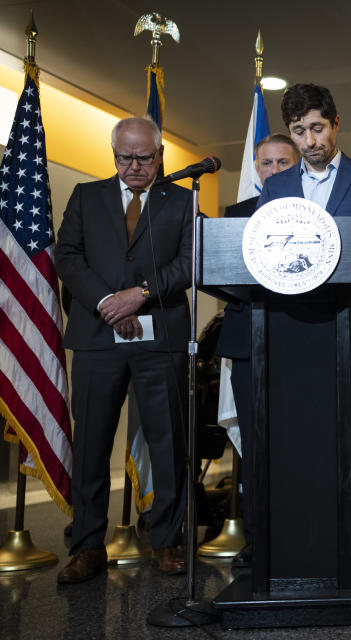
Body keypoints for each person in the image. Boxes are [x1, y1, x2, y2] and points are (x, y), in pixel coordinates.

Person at [257, 83, 351, 566]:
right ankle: (307, 542)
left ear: (336, 124)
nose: (310, 139)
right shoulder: (275, 187)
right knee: (303, 439)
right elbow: (260, 258)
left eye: (318, 128)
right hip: (295, 333)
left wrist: (332, 258)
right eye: (299, 131)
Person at [54, 117, 190, 582]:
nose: (133, 166)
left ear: (159, 156)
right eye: (124, 157)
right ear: (113, 155)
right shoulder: (86, 197)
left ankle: (168, 542)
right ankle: (88, 546)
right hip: (97, 336)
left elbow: (189, 261)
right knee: (91, 443)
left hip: (162, 338)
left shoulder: (184, 200)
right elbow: (67, 256)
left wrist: (143, 293)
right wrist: (110, 302)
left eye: (144, 158)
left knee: (169, 442)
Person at [215, 133, 300, 568]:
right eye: (266, 163)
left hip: (305, 341)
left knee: (300, 444)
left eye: (283, 162)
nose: (274, 171)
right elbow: (221, 274)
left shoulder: (312, 215)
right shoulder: (235, 216)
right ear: (255, 167)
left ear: (298, 164)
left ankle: (301, 535)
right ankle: (257, 539)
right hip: (248, 341)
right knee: (254, 444)